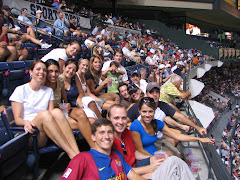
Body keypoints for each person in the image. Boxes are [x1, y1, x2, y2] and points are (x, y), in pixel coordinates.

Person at [9, 60, 80, 159]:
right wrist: (26, 122)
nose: (41, 72)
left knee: (56, 111)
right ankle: (72, 154)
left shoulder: (48, 91)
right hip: (30, 133)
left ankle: (77, 154)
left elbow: (52, 114)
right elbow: (17, 119)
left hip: (45, 132)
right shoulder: (20, 90)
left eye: (44, 70)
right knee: (46, 114)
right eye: (38, 69)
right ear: (31, 72)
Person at [108, 104, 196, 180]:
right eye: (116, 118)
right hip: (129, 174)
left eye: (123, 118)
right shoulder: (108, 142)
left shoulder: (126, 132)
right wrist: (150, 168)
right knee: (171, 168)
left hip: (135, 166)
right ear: (108, 118)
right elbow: (123, 172)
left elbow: (134, 152)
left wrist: (152, 158)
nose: (120, 122)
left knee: (168, 159)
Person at [60, 118, 144, 180]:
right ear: (93, 137)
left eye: (110, 132)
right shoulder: (82, 159)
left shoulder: (117, 154)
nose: (106, 137)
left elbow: (134, 176)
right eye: (101, 133)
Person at [130, 97, 212, 156]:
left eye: (150, 111)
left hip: (154, 152)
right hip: (144, 156)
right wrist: (155, 159)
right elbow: (140, 149)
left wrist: (199, 139)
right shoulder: (135, 126)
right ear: (139, 111)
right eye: (144, 112)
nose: (147, 115)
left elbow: (177, 136)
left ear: (154, 111)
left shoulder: (156, 123)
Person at [44, 59, 95, 148]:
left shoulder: (60, 80)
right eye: (50, 71)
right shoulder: (42, 85)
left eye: (56, 71)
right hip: (52, 117)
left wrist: (66, 106)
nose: (53, 74)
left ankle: (94, 147)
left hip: (63, 111)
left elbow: (64, 100)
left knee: (84, 115)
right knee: (91, 122)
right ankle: (95, 147)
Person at [60, 59, 102, 124]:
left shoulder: (75, 77)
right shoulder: (59, 80)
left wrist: (79, 99)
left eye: (74, 70)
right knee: (89, 119)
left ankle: (102, 123)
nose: (71, 71)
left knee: (91, 106)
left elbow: (81, 92)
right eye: (69, 68)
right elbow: (63, 100)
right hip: (68, 107)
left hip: (78, 103)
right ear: (64, 67)